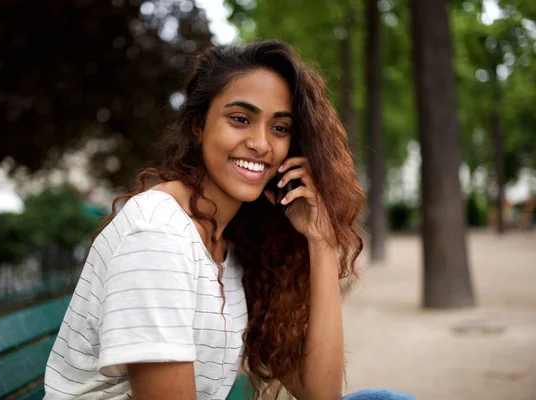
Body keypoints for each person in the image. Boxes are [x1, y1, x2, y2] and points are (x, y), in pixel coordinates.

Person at [43, 40, 416, 400]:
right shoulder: (157, 232)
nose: (261, 143)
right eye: (240, 119)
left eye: (280, 127)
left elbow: (320, 394)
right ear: (198, 126)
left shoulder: (239, 242)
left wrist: (321, 242)